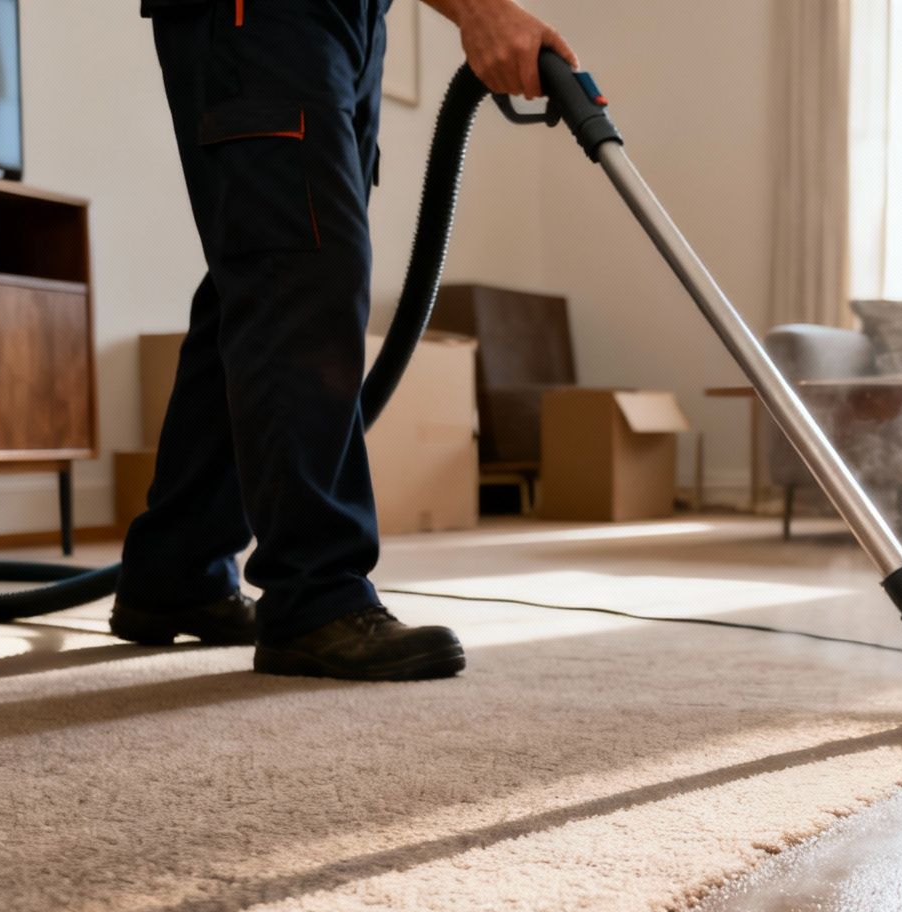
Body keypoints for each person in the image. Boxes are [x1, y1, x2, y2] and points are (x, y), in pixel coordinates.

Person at [111, 0, 576, 680]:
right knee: (300, 274)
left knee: (267, 275)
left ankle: (177, 572)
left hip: (347, 20)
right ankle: (316, 595)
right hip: (263, 15)